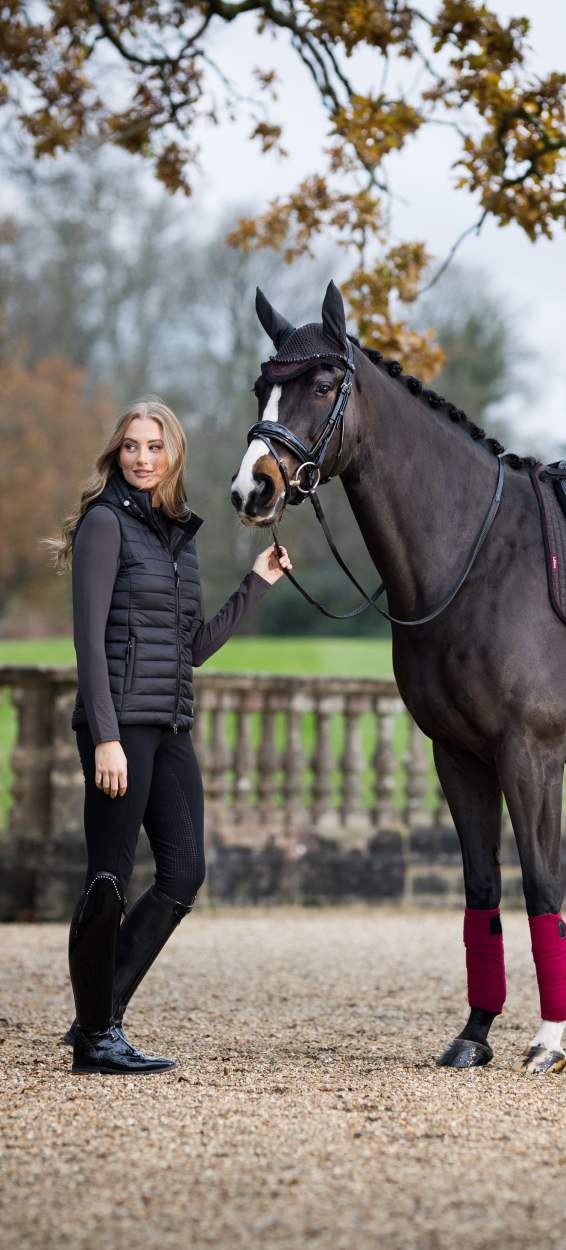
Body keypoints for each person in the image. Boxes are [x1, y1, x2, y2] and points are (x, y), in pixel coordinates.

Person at [46, 397, 291, 1075]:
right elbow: (87, 641)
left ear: (173, 453)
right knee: (109, 879)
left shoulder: (176, 536)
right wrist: (103, 736)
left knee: (185, 871)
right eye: (131, 446)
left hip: (170, 723)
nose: (143, 458)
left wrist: (256, 583)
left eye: (155, 446)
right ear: (117, 453)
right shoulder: (105, 525)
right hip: (119, 724)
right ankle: (98, 1039)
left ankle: (97, 1014)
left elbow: (192, 647)